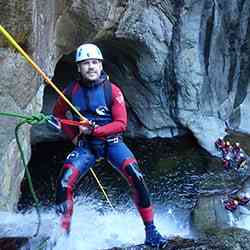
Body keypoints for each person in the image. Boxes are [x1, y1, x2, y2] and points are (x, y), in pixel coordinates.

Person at [52, 43, 168, 248]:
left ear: (101, 65)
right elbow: (58, 115)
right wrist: (74, 137)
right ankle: (63, 235)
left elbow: (121, 124)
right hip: (86, 147)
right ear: (78, 67)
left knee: (137, 177)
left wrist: (95, 131)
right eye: (86, 63)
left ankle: (151, 231)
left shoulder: (112, 91)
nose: (91, 67)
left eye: (95, 62)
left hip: (112, 144)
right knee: (63, 183)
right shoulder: (70, 91)